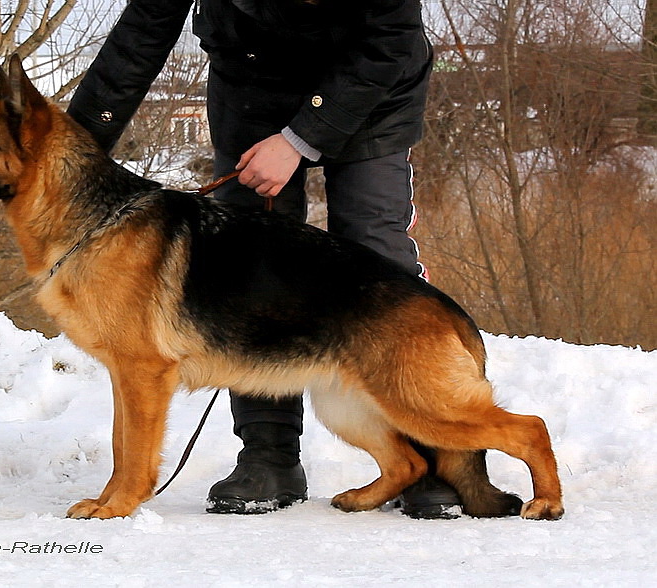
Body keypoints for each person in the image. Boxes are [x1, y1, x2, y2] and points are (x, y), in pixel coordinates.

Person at [67, 0, 461, 518]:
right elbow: (142, 33)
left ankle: (429, 456)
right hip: (253, 88)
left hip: (371, 88)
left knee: (375, 254)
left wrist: (301, 139)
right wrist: (73, 146)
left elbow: (389, 38)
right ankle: (269, 454)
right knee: (241, 270)